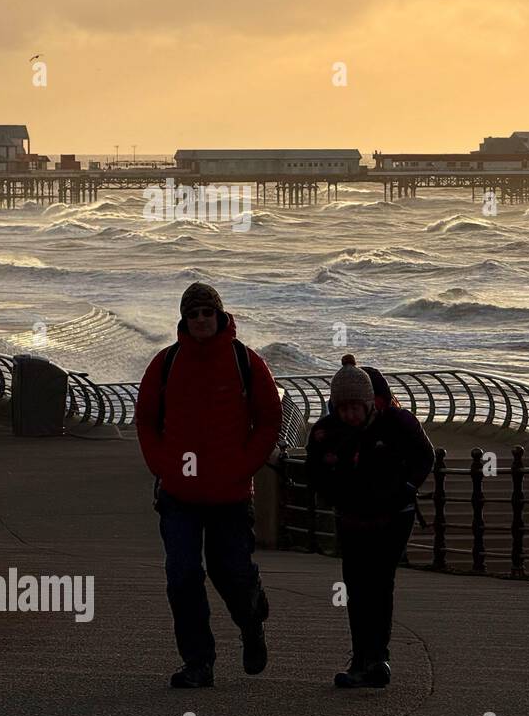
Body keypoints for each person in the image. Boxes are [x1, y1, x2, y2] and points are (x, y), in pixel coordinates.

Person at [135, 282, 281, 689]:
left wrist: (244, 466)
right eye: (193, 313)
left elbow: (270, 419)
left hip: (230, 495)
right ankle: (198, 663)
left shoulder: (244, 361)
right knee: (182, 576)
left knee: (230, 572)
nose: (201, 320)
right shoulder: (165, 363)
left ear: (219, 316)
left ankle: (252, 622)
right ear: (184, 319)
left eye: (207, 313)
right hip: (178, 496)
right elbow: (146, 420)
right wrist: (162, 467)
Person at [305, 355, 433, 688]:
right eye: (342, 408)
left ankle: (377, 657)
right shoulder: (325, 433)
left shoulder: (398, 424)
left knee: (379, 583)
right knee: (358, 587)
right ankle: (364, 659)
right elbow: (314, 470)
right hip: (352, 520)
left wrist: (407, 488)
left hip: (394, 518)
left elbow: (425, 455)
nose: (349, 414)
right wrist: (331, 493)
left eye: (355, 407)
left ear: (368, 404)